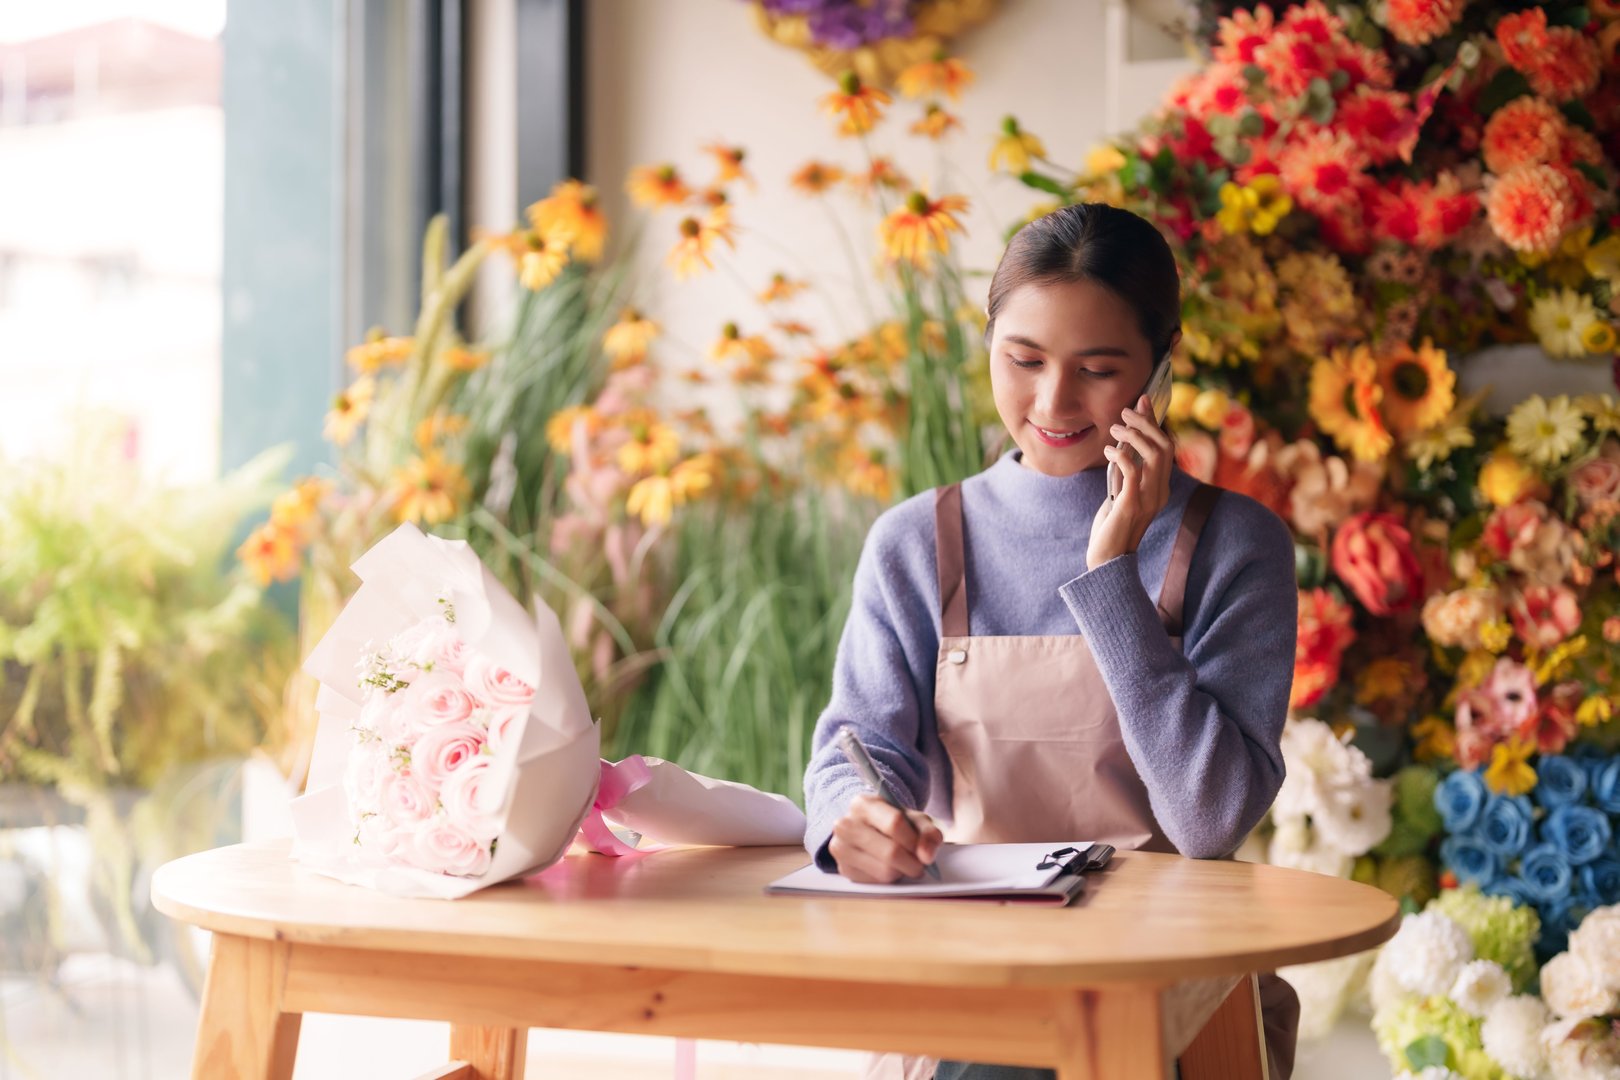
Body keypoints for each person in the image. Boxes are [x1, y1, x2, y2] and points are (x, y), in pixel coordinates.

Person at [801, 203, 1302, 1080]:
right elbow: (857, 750)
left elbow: (1210, 818)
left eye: (1099, 370)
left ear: (1163, 362)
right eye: (1023, 360)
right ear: (988, 340)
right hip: (972, 974)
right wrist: (854, 821)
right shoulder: (916, 541)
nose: (1053, 403)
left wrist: (1112, 575)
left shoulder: (1235, 545)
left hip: (1174, 988)